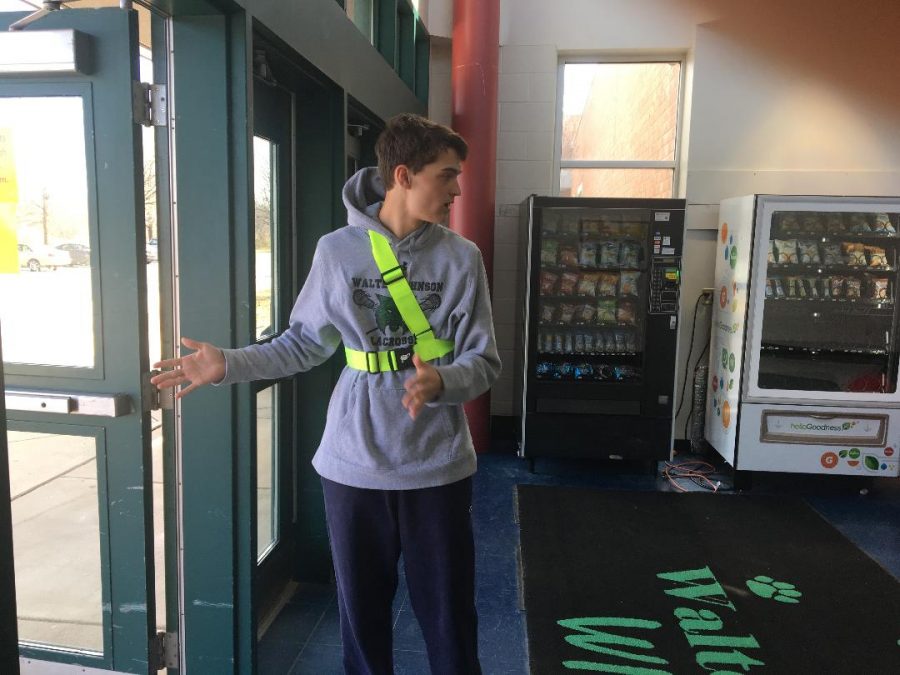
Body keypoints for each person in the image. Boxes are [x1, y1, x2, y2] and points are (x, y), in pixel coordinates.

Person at [151, 113, 501, 674]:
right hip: (352, 465)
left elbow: (483, 363)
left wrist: (445, 382)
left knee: (451, 619)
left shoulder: (462, 258)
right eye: (447, 175)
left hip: (437, 465)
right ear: (404, 175)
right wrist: (227, 366)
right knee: (361, 621)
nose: (457, 189)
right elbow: (302, 345)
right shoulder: (338, 252)